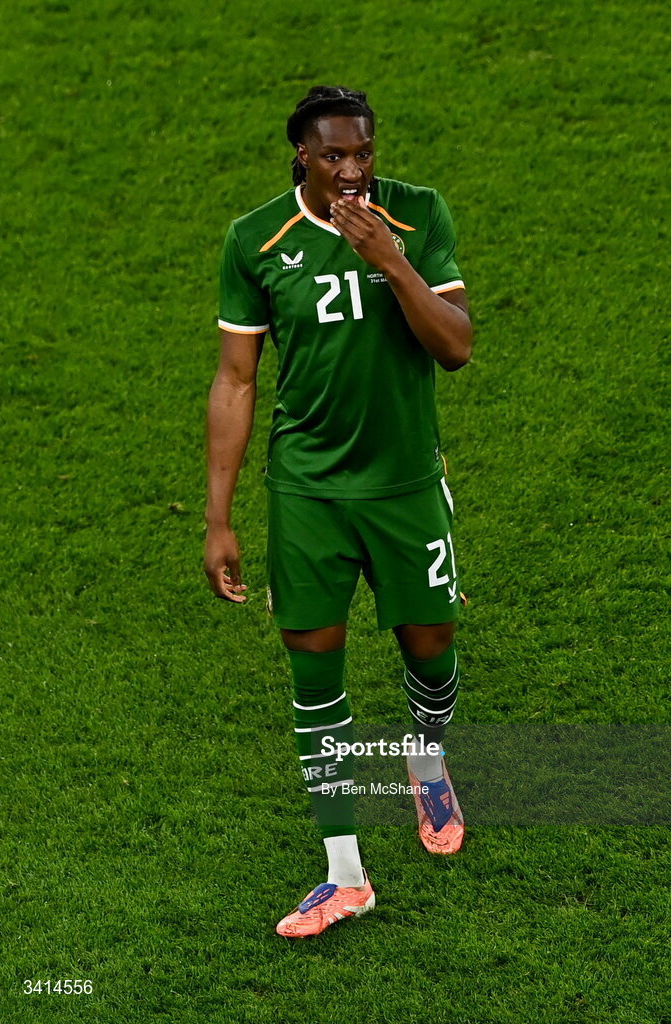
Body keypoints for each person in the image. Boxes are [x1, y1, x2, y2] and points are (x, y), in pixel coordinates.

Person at [204, 85, 472, 938]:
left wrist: (391, 260)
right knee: (314, 678)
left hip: (403, 487)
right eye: (334, 158)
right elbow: (237, 379)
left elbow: (456, 346)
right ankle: (344, 873)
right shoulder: (255, 240)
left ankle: (424, 755)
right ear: (302, 159)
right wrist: (219, 517)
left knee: (431, 650)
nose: (353, 171)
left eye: (364, 153)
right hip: (310, 491)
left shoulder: (418, 214)